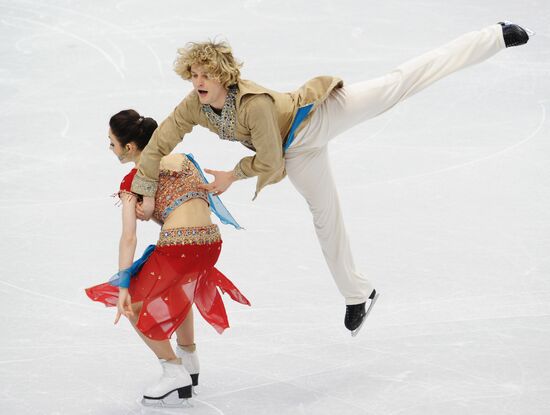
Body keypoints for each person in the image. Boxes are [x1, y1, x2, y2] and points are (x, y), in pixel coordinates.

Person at [130, 22, 533, 336]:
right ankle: (358, 295)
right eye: (194, 74)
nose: (198, 81)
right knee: (325, 217)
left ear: (223, 76)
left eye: (206, 74)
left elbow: (270, 165)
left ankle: (494, 36)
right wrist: (144, 188)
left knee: (397, 84)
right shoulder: (195, 106)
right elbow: (161, 140)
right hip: (297, 151)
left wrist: (232, 175)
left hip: (320, 114)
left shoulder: (254, 106)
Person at [85, 109, 250, 407]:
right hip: (211, 243)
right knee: (179, 287)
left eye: (112, 143)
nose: (111, 149)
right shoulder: (184, 159)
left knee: (133, 306)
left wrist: (123, 286)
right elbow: (197, 200)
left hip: (180, 245)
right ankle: (189, 358)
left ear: (130, 147)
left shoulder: (134, 179)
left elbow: (129, 237)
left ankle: (173, 370)